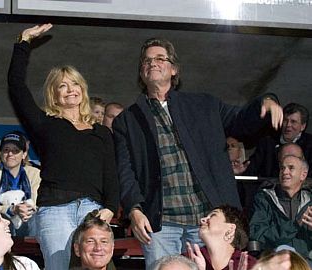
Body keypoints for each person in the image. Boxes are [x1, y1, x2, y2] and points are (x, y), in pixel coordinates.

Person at [112, 37, 283, 269]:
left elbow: (241, 122)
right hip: (160, 224)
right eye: (147, 60)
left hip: (207, 221)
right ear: (141, 72)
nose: (153, 63)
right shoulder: (127, 120)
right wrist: (134, 209)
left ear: (174, 69)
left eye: (160, 58)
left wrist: (266, 101)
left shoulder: (204, 105)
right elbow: (125, 170)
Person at [7, 24, 119, 270]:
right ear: (54, 95)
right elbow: (16, 87)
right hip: (55, 210)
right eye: (63, 86)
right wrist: (23, 42)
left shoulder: (101, 132)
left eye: (75, 84)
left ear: (83, 90)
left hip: (93, 211)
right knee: (58, 266)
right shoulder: (44, 124)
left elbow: (110, 173)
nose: (71, 90)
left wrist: (110, 207)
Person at [249, 154, 312, 261]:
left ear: (303, 175)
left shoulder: (310, 201)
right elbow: (257, 233)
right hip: (275, 260)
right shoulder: (264, 199)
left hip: (305, 261)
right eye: (282, 168)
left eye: (291, 168)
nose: (285, 172)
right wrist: (294, 225)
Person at [0, 131, 41, 236]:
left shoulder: (35, 173)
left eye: (15, 151)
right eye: (6, 150)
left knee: (36, 218)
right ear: (0, 153)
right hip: (1, 221)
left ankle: (34, 249)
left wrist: (25, 210)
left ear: (24, 154)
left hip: (29, 220)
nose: (10, 154)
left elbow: (36, 203)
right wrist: (12, 209)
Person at [242, 102, 312, 177]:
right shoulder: (267, 142)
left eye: (293, 122)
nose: (288, 125)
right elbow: (252, 169)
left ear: (303, 126)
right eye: (285, 120)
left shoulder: (310, 144)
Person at [186, 205, 257, 270]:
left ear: (230, 229)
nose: (202, 220)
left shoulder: (250, 266)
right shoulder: (188, 260)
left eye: (213, 215)